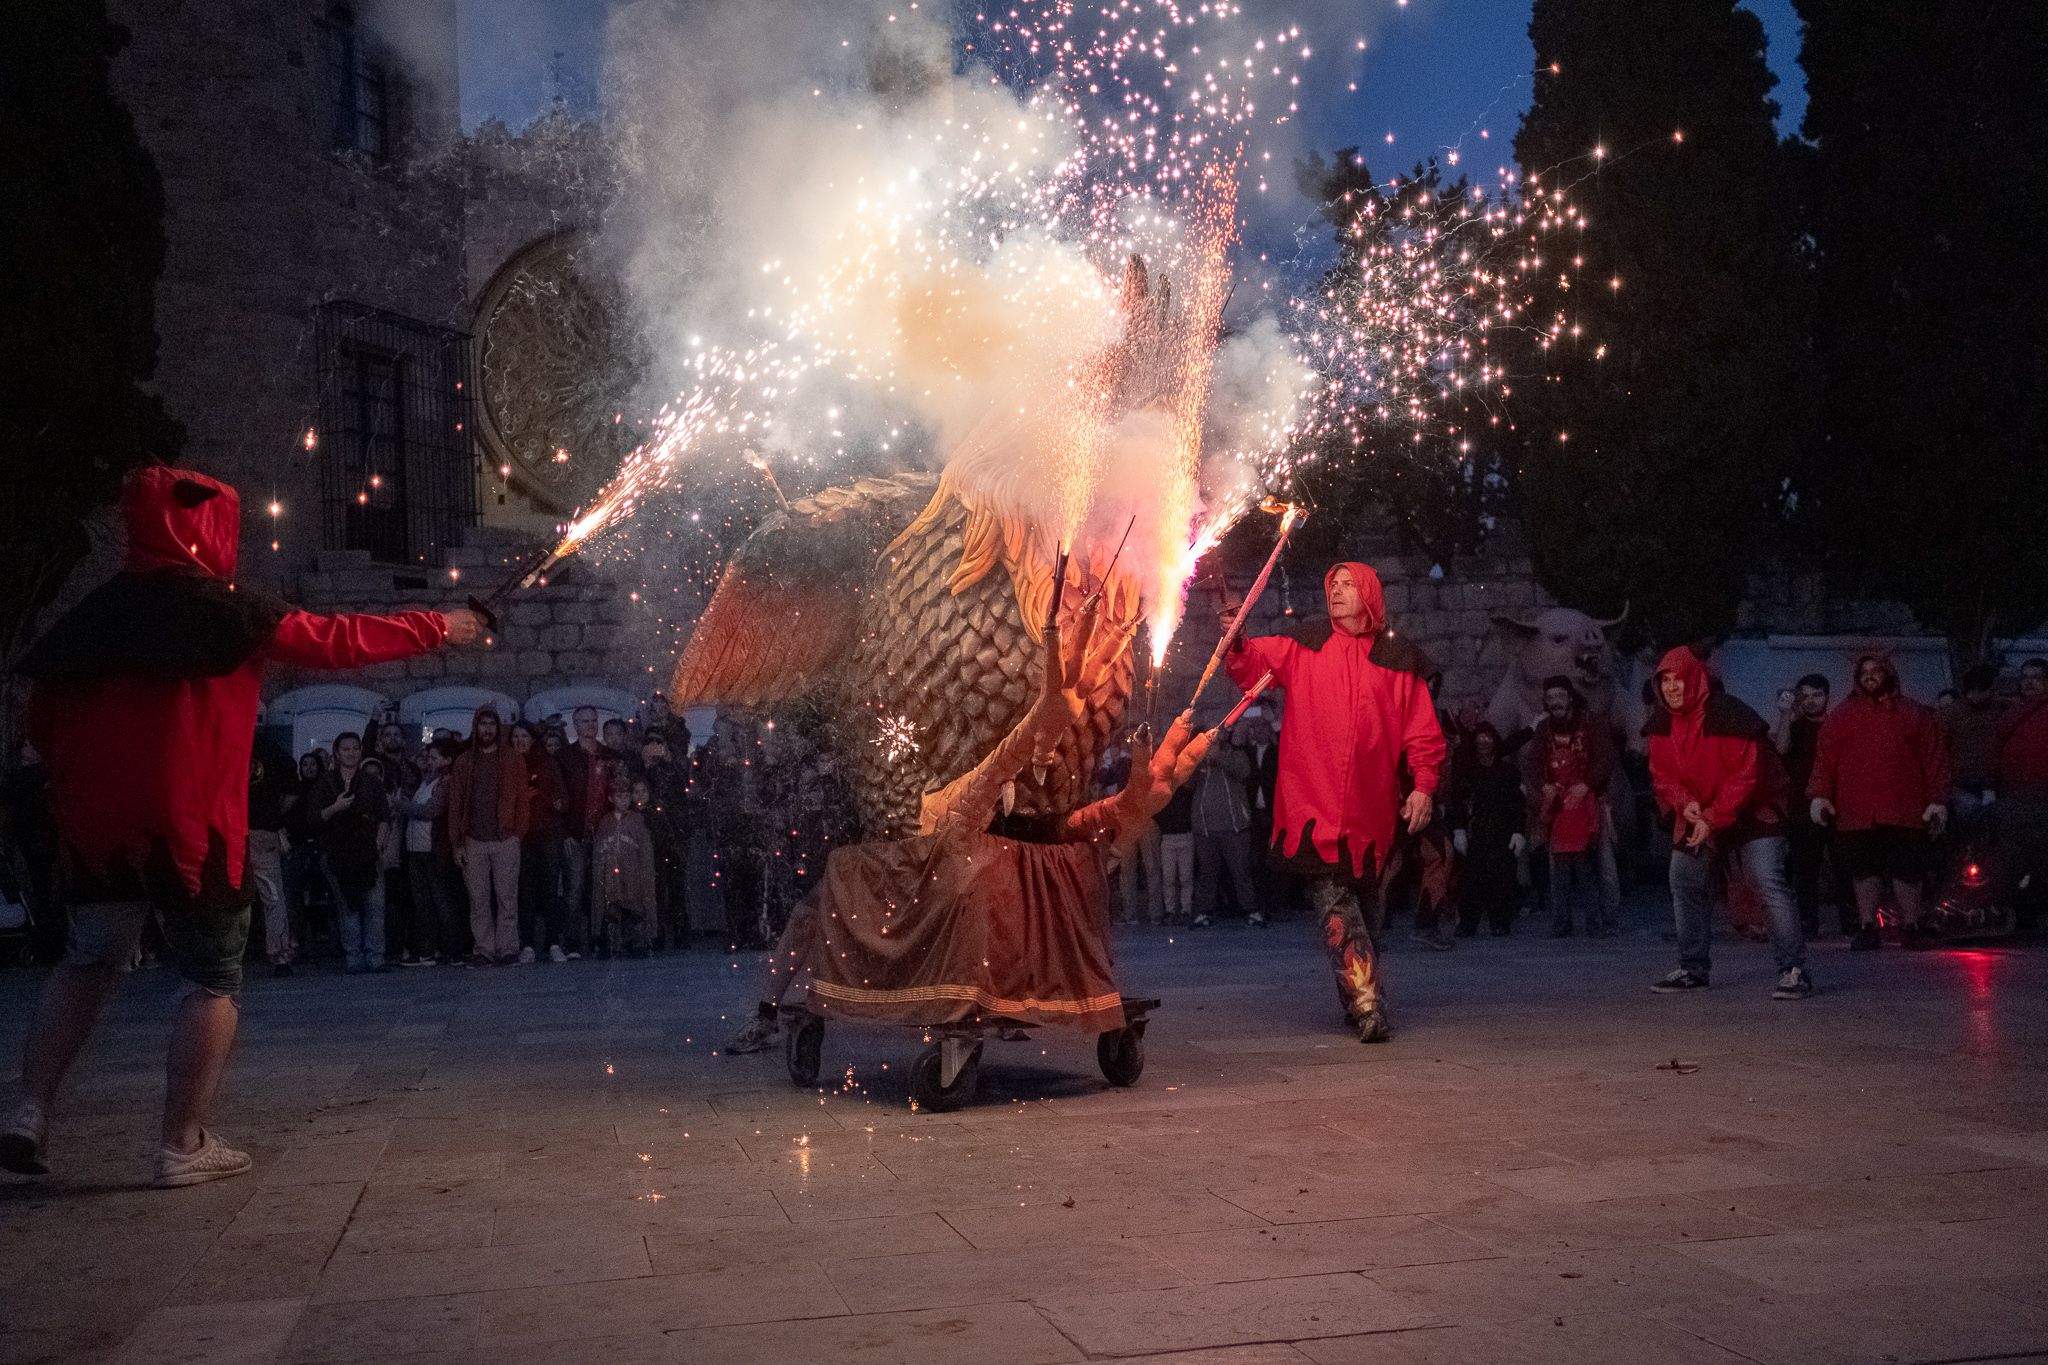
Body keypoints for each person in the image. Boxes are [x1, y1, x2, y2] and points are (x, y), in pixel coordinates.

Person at [2, 467, 474, 1184]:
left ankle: (27, 1110)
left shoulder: (90, 619)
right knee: (213, 977)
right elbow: (337, 639)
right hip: (193, 828)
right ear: (211, 528)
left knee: (87, 960)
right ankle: (180, 1143)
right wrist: (442, 625)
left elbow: (41, 726)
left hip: (97, 833)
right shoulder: (228, 612)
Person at [1221, 562, 1445, 1043]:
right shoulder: (1306, 643)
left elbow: (1422, 732)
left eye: (1347, 585)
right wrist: (1237, 641)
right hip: (1312, 811)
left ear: (1368, 593)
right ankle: (1367, 1004)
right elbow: (1254, 667)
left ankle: (1357, 994)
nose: (1337, 593)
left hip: (1374, 816)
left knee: (1369, 916)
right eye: (1332, 586)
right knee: (1336, 911)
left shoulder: (1399, 657)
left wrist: (1424, 786)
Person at [1645, 647, 1812, 999]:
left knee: (1767, 880)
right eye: (1665, 682)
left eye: (1677, 680)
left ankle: (1793, 969)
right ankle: (1693, 968)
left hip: (1754, 808)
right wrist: (1686, 804)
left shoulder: (1729, 715)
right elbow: (1662, 774)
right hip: (1701, 810)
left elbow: (1745, 778)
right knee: (1684, 880)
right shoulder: (1662, 723)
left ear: (1693, 680)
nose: (1672, 688)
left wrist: (1712, 818)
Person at [1809, 653, 1950, 950]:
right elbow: (1825, 759)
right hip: (1858, 810)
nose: (1870, 676)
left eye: (1876, 670)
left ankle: (1910, 924)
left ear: (1888, 674)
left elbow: (1934, 759)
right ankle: (1867, 924)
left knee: (1908, 869)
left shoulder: (1914, 714)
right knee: (1863, 870)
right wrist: (1820, 794)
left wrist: (1937, 800)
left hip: (1904, 807)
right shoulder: (1842, 716)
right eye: (1865, 671)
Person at [1517, 676, 1619, 936]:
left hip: (1591, 802)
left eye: (1559, 697)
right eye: (1550, 699)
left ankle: (1604, 920)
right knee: (1558, 867)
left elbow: (1606, 758)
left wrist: (1587, 784)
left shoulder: (1591, 723)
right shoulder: (1544, 730)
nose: (1555, 703)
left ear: (1570, 697)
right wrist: (1544, 788)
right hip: (1560, 808)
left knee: (1600, 864)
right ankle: (1561, 921)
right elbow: (1533, 763)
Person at [447, 704, 530, 965]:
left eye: (491, 724)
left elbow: (522, 799)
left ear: (498, 727)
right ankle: (483, 948)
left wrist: (517, 833)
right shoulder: (464, 762)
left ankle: (507, 948)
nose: (487, 729)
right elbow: (456, 803)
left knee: (507, 898)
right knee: (479, 899)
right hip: (474, 839)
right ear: (475, 726)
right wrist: (457, 842)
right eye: (483, 724)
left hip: (505, 838)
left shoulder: (512, 758)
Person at [310, 733, 391, 972]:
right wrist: (335, 807)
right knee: (348, 907)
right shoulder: (325, 782)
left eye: (355, 748)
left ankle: (376, 957)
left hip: (367, 851)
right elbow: (314, 818)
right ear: (336, 752)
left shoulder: (371, 782)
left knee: (375, 906)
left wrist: (379, 841)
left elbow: (384, 815)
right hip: (338, 853)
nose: (351, 753)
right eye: (346, 749)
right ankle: (353, 957)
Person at [1775, 673, 1840, 936]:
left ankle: (1853, 920)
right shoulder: (1795, 724)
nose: (1812, 701)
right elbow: (1780, 749)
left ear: (1827, 696)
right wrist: (1784, 715)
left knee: (1843, 864)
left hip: (1837, 802)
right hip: (1801, 804)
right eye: (1806, 696)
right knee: (1805, 868)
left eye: (1817, 695)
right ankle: (1808, 922)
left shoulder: (1836, 724)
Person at [1450, 723, 1525, 935]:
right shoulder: (1468, 772)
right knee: (1471, 880)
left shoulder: (1508, 771)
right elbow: (1458, 801)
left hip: (1502, 831)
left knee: (1502, 879)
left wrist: (1519, 831)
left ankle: (1500, 922)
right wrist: (1459, 830)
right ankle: (1468, 923)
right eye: (1480, 739)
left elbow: (1517, 803)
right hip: (1476, 831)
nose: (1484, 743)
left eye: (1488, 738)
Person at [557, 705, 617, 955]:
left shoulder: (608, 755)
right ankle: (571, 942)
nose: (590, 726)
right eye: (585, 721)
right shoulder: (565, 756)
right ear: (575, 724)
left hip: (602, 831)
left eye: (593, 721)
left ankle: (599, 939)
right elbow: (559, 796)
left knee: (602, 887)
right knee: (575, 888)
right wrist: (565, 832)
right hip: (576, 830)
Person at [512, 721, 569, 963]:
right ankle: (527, 943)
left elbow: (561, 795)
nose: (520, 741)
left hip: (547, 834)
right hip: (522, 836)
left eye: (524, 736)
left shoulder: (547, 762)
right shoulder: (509, 765)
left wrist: (553, 801)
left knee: (549, 888)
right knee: (525, 891)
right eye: (516, 737)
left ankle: (553, 941)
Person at [1190, 732, 1259, 926]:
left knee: (1241, 871)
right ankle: (1203, 911)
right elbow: (1187, 784)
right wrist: (1197, 761)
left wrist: (1220, 757)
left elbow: (1244, 772)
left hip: (1234, 826)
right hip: (1205, 828)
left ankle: (1252, 910)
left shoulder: (1235, 755)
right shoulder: (1199, 760)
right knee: (1207, 873)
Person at [593, 771, 659, 957]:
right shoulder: (605, 822)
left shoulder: (637, 820)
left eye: (627, 796)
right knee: (612, 908)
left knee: (634, 908)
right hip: (611, 876)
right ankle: (613, 944)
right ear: (612, 798)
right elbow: (599, 849)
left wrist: (646, 872)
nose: (624, 800)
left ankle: (638, 942)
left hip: (633, 874)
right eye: (619, 796)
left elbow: (645, 850)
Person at [245, 746, 295, 975]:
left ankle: (224, 955)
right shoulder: (277, 753)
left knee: (229, 896)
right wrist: (274, 815)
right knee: (273, 896)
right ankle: (279, 955)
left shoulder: (224, 747)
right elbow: (292, 793)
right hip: (264, 831)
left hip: (233, 832)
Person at [1944, 663, 2007, 835]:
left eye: (1980, 690)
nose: (1975, 696)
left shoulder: (2001, 710)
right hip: (1961, 784)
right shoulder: (1951, 713)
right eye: (1972, 690)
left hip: (1993, 783)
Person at [1154, 782, 1196, 925]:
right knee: (1168, 877)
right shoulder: (1164, 794)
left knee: (1186, 876)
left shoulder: (1187, 792)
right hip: (1168, 837)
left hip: (1185, 835)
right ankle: (1170, 910)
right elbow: (1158, 813)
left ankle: (1186, 909)